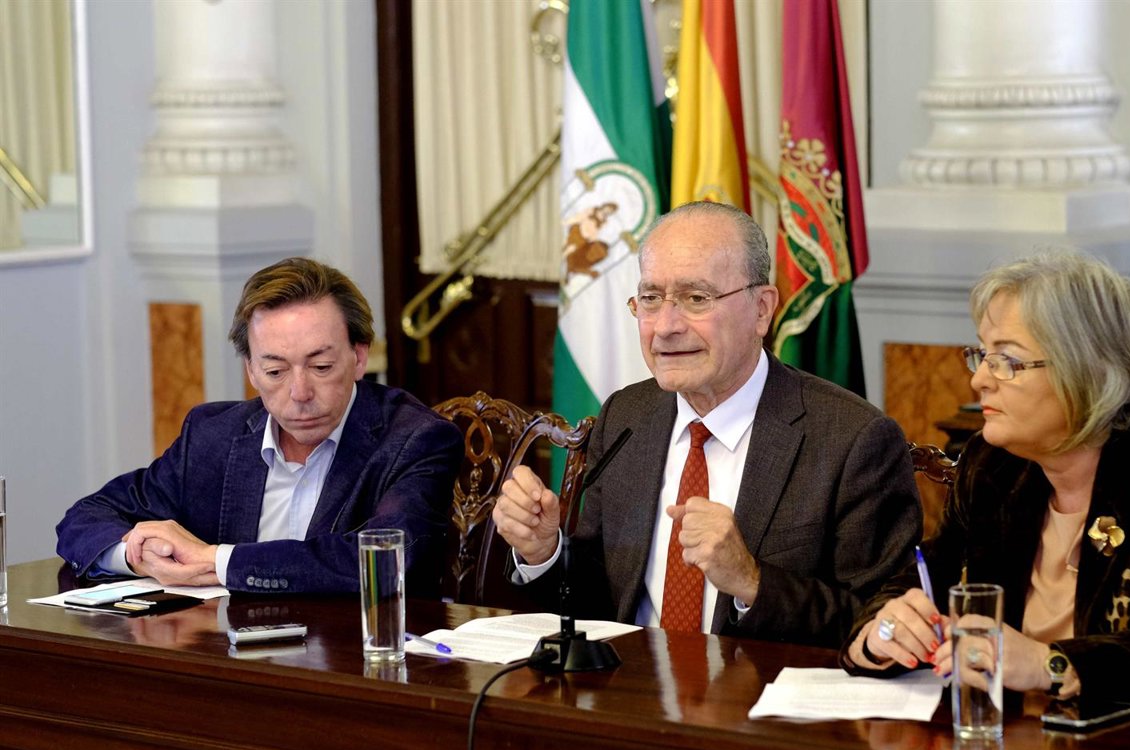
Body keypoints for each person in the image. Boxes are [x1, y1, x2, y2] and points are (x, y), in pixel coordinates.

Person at [841, 250, 1130, 701]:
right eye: (982, 355)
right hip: (1004, 745)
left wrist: (1053, 663)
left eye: (1007, 361)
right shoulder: (993, 466)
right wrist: (882, 633)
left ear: (1086, 372)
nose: (979, 382)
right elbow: (923, 578)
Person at [493, 201, 921, 648]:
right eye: (652, 299)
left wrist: (753, 582)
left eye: (696, 298)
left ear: (762, 309)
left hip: (760, 706)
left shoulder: (851, 440)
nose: (665, 327)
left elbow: (882, 624)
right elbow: (601, 601)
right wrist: (544, 552)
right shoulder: (627, 416)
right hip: (630, 695)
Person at [56, 258, 463, 594]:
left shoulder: (415, 440)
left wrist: (216, 561)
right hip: (225, 662)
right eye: (275, 370)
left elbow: (384, 560)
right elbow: (86, 517)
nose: (300, 391)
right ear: (250, 370)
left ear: (359, 358)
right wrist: (139, 554)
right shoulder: (213, 434)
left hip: (357, 666)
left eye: (321, 367)